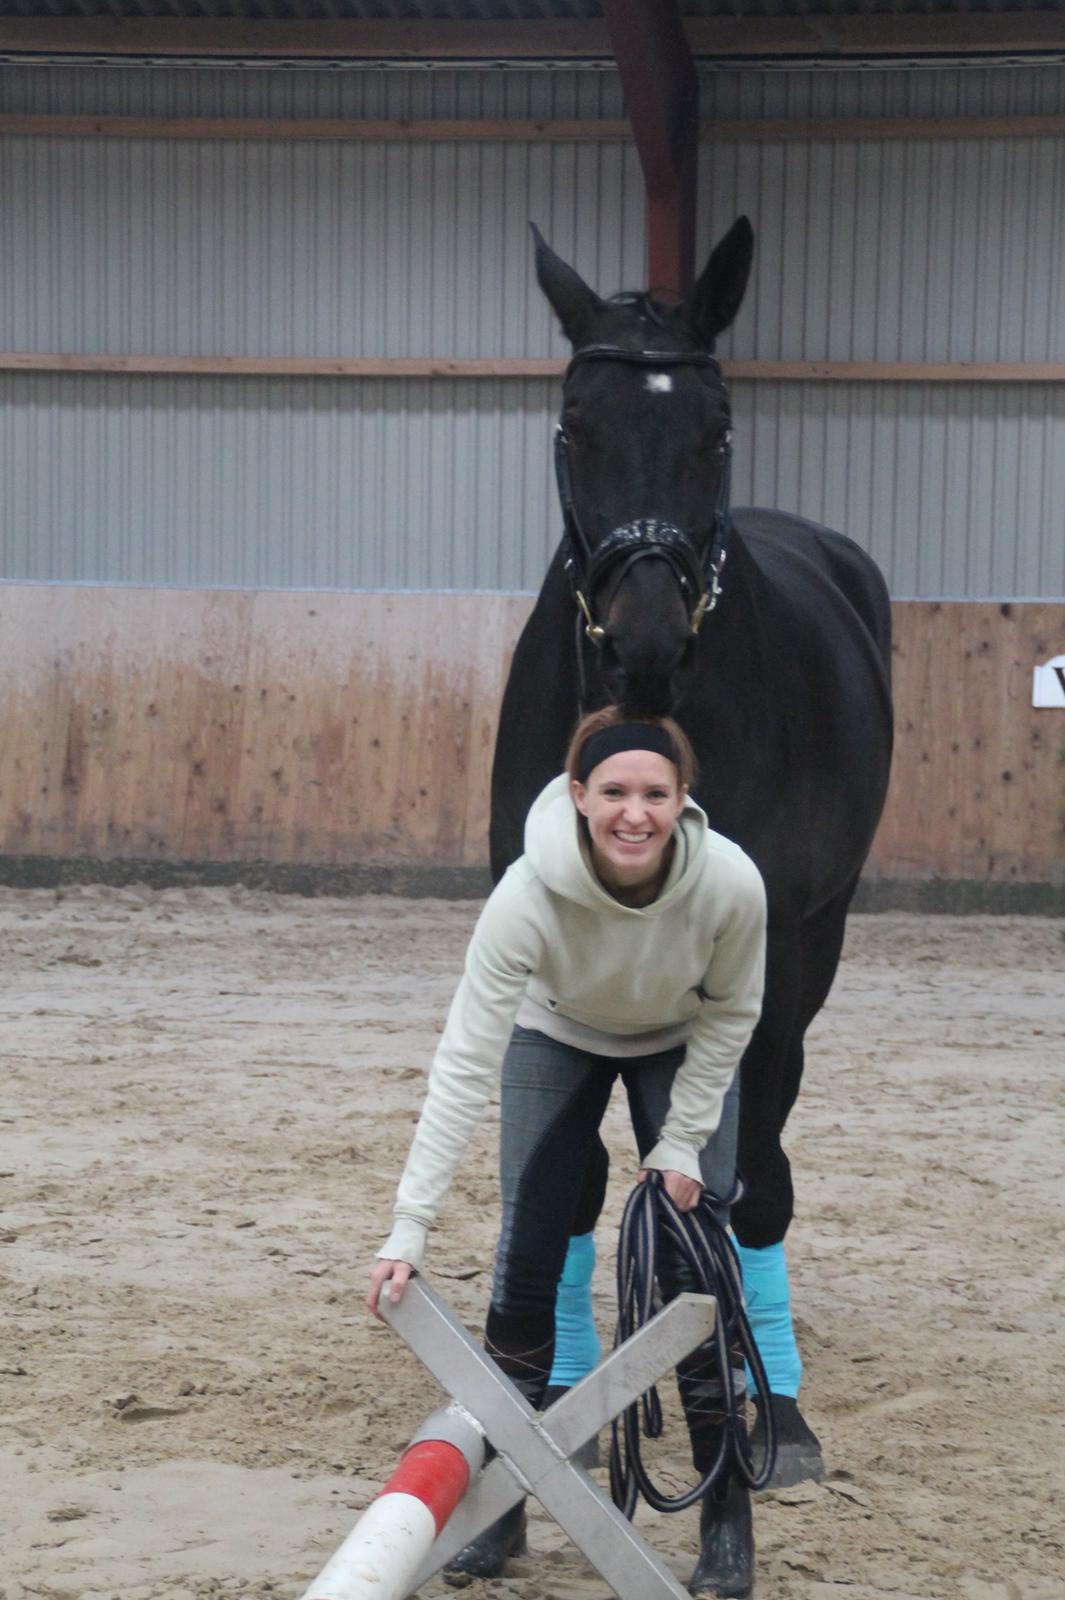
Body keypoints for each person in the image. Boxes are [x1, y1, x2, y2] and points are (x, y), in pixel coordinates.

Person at [367, 707, 767, 1599]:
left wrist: (678, 1142)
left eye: (655, 794)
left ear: (681, 799)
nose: (635, 813)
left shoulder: (731, 884)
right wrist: (409, 1227)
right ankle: (502, 1503)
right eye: (615, 792)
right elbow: (465, 1061)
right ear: (578, 795)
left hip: (682, 1038)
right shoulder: (525, 894)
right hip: (557, 1031)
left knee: (694, 1265)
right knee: (527, 1254)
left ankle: (724, 1509)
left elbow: (736, 1014)